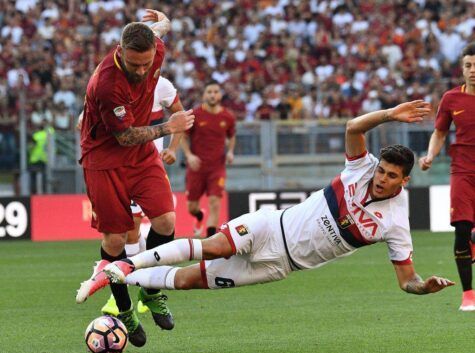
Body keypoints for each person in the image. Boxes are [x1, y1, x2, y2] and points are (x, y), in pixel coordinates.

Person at [77, 100, 454, 313]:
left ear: (404, 181)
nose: (382, 177)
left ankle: (121, 276)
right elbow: (353, 127)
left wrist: (425, 288)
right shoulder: (362, 168)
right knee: (214, 245)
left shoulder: (396, 223)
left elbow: (408, 281)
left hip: (280, 265)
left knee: (191, 280)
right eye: (383, 170)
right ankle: (128, 262)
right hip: (273, 226)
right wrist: (389, 115)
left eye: (391, 176)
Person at [75, 9, 195, 347]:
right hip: (105, 160)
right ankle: (125, 310)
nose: (142, 70)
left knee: (166, 219)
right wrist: (168, 128)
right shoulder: (106, 84)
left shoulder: (155, 48)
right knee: (115, 242)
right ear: (120, 50)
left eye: (146, 64)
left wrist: (161, 18)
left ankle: (152, 291)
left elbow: (162, 27)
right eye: (134, 65)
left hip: (142, 157)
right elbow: (124, 137)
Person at [101, 75, 184, 316]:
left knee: (164, 222)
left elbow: (181, 116)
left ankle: (147, 287)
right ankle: (127, 289)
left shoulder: (163, 85)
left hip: (149, 167)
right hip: (117, 167)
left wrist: (173, 148)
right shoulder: (112, 85)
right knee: (129, 231)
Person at [419, 42, 475, 311]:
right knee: (462, 229)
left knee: (471, 235)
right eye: (468, 65)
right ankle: (468, 295)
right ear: (462, 69)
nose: (473, 70)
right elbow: (440, 133)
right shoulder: (451, 99)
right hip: (463, 170)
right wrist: (430, 156)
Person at [181, 81, 236, 238]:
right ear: (204, 95)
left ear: (220, 95)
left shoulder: (228, 117)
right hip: (196, 167)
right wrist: (189, 155)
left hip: (217, 168)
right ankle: (199, 216)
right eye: (209, 91)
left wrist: (230, 152)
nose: (212, 94)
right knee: (191, 207)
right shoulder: (196, 115)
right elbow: (182, 137)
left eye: (215, 91)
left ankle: (210, 240)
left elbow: (231, 136)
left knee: (215, 202)